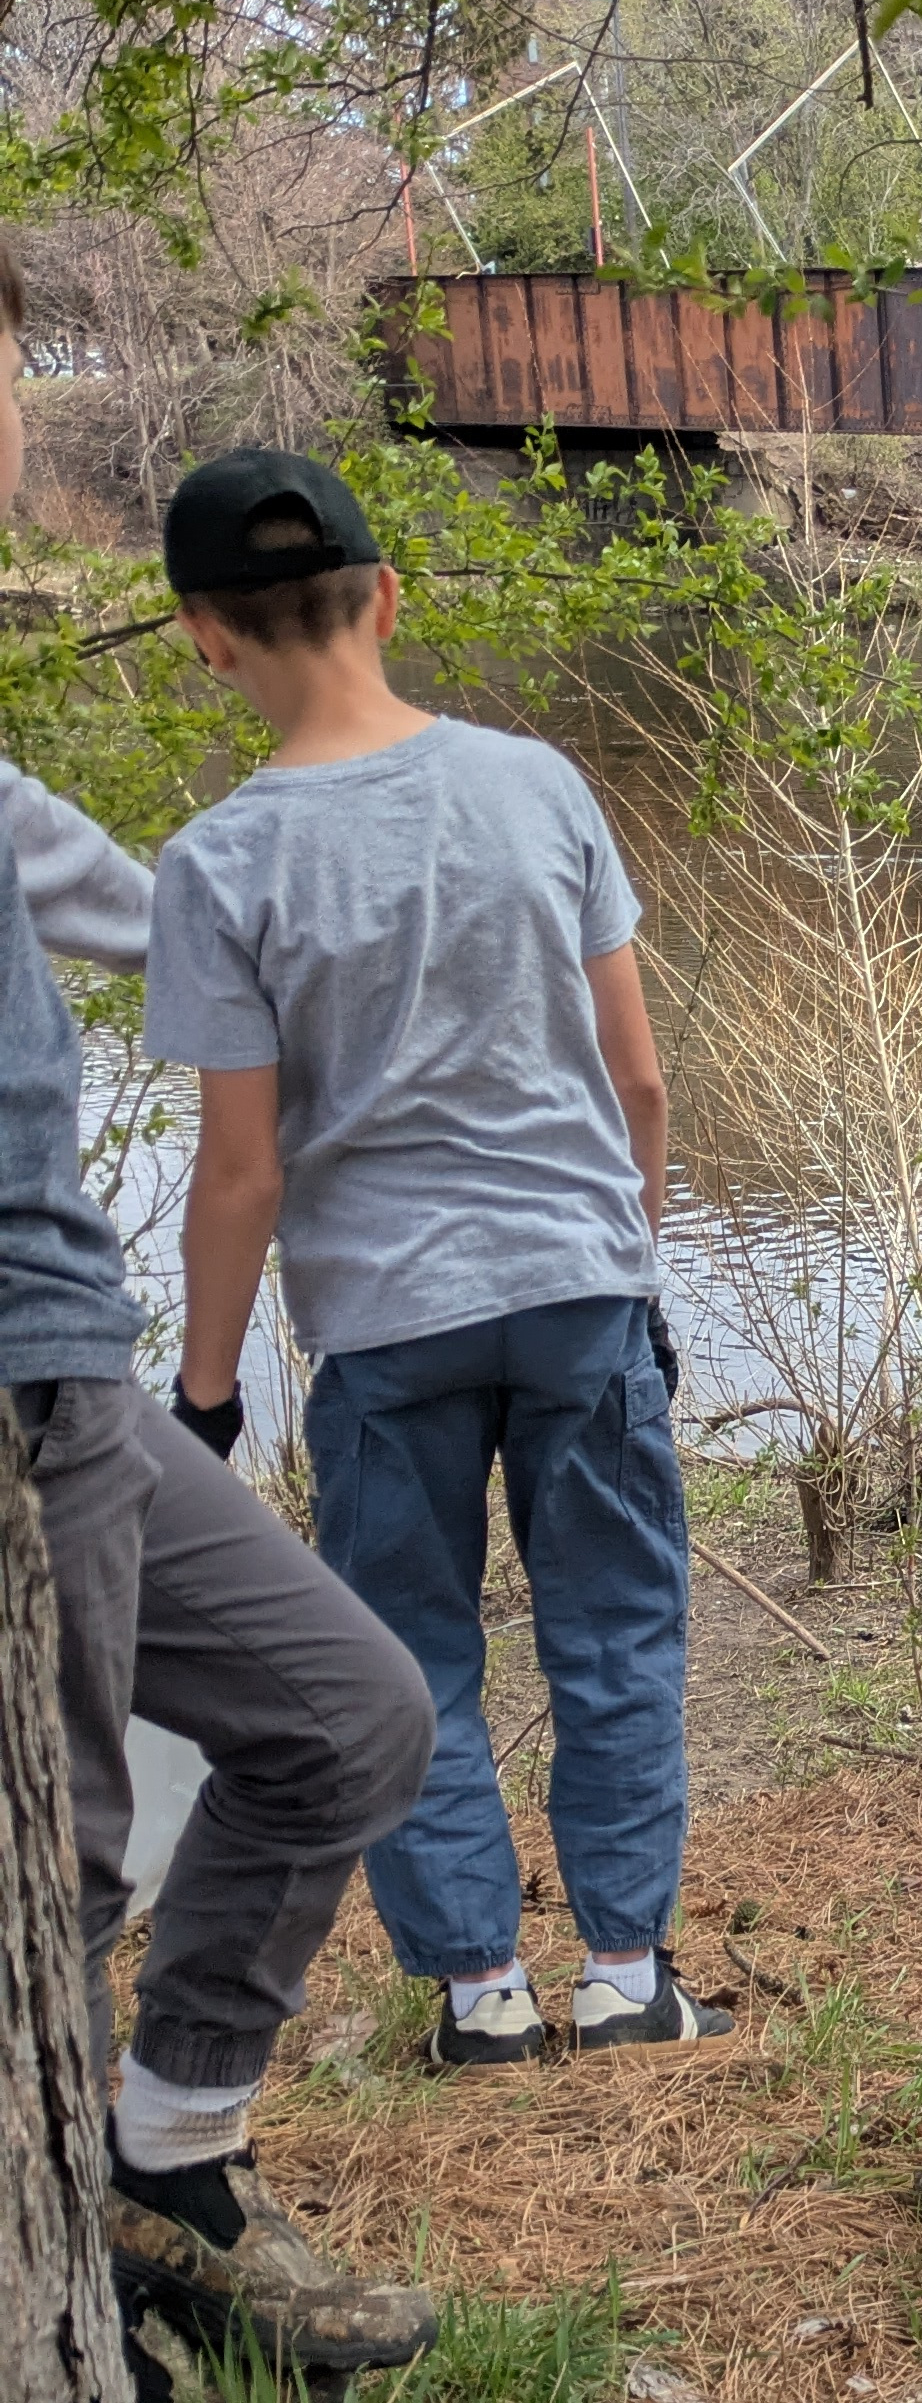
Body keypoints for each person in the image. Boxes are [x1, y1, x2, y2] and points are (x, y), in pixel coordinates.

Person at [147, 449, 727, 2064]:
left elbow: (241, 1168)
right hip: (576, 1289)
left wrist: (205, 1398)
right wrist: (629, 1265)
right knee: (613, 1637)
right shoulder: (538, 784)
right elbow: (641, 1082)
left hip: (388, 1325)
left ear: (206, 636)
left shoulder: (218, 865)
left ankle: (481, 1996)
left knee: (411, 1657)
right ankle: (625, 1976)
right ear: (388, 597)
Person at [0, 278, 440, 2371]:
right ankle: (83, 2289)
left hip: (71, 1366)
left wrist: (387, 903)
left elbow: (166, 910)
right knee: (61, 1857)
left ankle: (168, 2171)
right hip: (22, 1375)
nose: (17, 409)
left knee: (349, 1716)